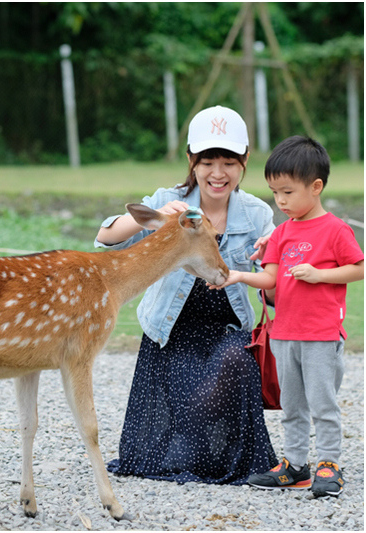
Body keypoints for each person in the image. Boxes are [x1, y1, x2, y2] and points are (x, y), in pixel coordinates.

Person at [94, 105, 278, 485]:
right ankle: (189, 446)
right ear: (192, 162)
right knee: (172, 430)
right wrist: (158, 214)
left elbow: (273, 283)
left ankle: (192, 442)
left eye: (228, 161)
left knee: (237, 362)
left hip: (227, 328)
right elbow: (107, 238)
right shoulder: (170, 198)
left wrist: (279, 267)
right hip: (171, 330)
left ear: (244, 162)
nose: (217, 173)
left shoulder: (257, 214)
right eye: (208, 161)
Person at [209, 136, 364, 497]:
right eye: (274, 192)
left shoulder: (336, 229)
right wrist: (238, 275)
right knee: (292, 404)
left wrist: (320, 275)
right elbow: (270, 279)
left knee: (323, 403)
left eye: (287, 192)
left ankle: (329, 464)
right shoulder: (280, 232)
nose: (279, 201)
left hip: (322, 335)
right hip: (285, 335)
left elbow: (358, 268)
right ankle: (295, 466)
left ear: (316, 186)